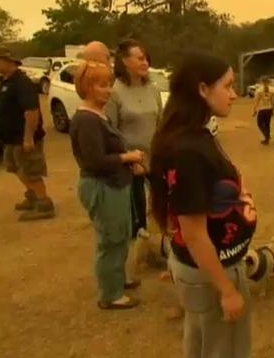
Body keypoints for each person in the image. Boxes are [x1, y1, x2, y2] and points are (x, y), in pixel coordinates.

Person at [149, 52, 256, 358]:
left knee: (202, 343)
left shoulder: (194, 136)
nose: (234, 94)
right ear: (202, 90)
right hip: (212, 271)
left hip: (204, 267)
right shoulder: (189, 151)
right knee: (222, 349)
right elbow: (193, 232)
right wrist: (227, 290)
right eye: (228, 86)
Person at [70, 60, 145, 309]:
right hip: (102, 187)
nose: (109, 90)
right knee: (110, 240)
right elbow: (95, 161)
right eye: (102, 85)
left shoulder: (99, 115)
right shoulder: (86, 120)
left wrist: (128, 162)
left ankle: (118, 279)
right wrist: (128, 157)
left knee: (121, 236)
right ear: (88, 87)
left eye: (108, 84)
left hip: (115, 183)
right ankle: (110, 295)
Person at [106, 39, 163, 242]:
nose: (145, 62)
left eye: (146, 58)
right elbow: (110, 131)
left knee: (163, 205)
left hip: (154, 158)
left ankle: (162, 245)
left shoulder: (153, 89)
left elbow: (160, 123)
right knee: (136, 215)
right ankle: (138, 251)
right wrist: (131, 160)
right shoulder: (114, 92)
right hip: (131, 163)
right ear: (125, 61)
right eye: (140, 58)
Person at [0, 47, 55, 221]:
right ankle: (33, 195)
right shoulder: (7, 81)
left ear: (8, 61)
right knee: (14, 167)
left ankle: (44, 204)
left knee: (31, 171)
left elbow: (32, 111)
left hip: (23, 138)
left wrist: (28, 137)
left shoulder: (22, 82)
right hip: (11, 139)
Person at [252, 78, 274, 144]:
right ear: (268, 82)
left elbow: (256, 101)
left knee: (259, 124)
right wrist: (273, 110)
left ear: (262, 82)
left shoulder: (259, 90)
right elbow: (273, 102)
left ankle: (266, 137)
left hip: (262, 109)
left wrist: (254, 110)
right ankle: (267, 137)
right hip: (269, 109)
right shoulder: (272, 90)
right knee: (267, 124)